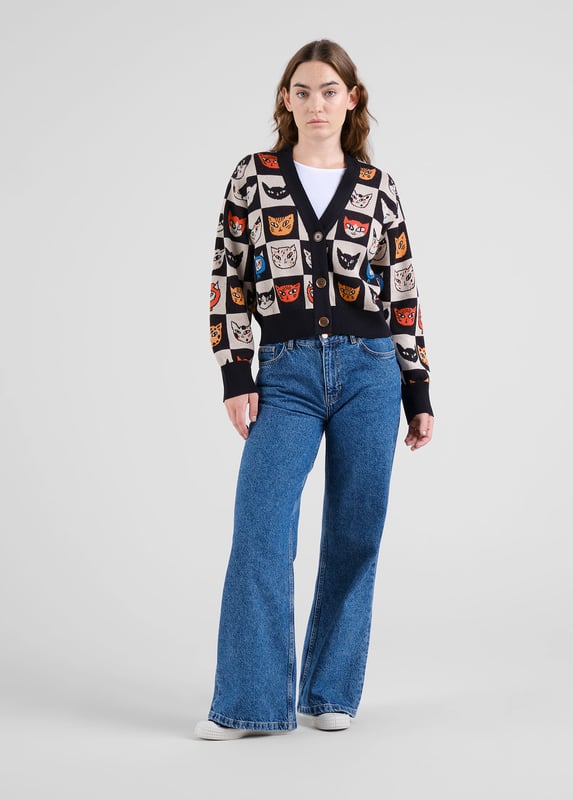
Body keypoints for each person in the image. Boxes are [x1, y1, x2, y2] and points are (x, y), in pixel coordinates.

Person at [195, 38, 434, 741]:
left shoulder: (377, 186)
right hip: (287, 371)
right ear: (286, 100)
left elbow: (403, 292)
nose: (316, 103)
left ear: (351, 99)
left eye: (329, 90)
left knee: (356, 533)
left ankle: (329, 691)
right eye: (302, 91)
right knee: (261, 528)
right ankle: (250, 703)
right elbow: (228, 276)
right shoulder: (255, 176)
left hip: (370, 370)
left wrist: (417, 390)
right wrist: (236, 373)